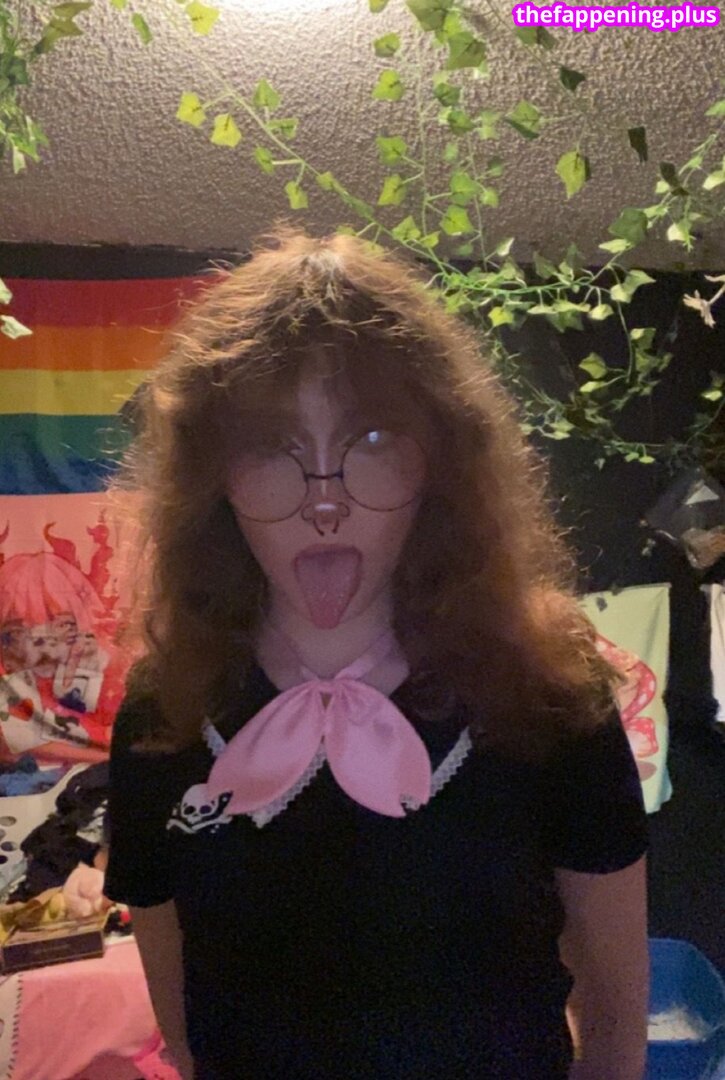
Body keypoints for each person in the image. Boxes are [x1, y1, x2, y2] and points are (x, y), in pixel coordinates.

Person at [104, 228, 649, 1080]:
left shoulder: (548, 692)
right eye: (272, 447)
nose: (324, 504)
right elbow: (185, 1031)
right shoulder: (162, 712)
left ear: (440, 461)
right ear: (213, 476)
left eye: (369, 441)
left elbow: (615, 1031)